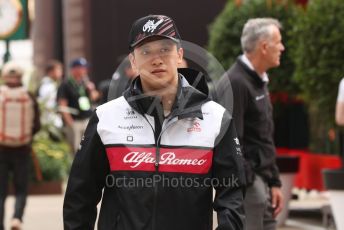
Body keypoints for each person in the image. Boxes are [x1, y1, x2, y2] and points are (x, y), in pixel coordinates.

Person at [63, 14, 246, 230]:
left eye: (165, 49)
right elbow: (80, 195)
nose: (156, 59)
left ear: (179, 55)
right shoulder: (106, 117)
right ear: (133, 61)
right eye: (146, 51)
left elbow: (232, 195)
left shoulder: (216, 119)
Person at [216, 18, 284, 230]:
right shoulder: (235, 82)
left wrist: (274, 181)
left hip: (263, 180)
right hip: (249, 183)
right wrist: (250, 182)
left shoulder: (259, 80)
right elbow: (232, 140)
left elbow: (264, 135)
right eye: (279, 42)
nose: (282, 48)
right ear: (264, 47)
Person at [0, 62, 41, 230]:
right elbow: (37, 124)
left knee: (1, 192)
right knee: (21, 189)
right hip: (22, 149)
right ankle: (17, 218)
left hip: (1, 149)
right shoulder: (29, 96)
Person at [57, 58, 99, 152]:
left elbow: (94, 98)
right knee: (76, 150)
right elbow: (62, 105)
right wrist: (70, 123)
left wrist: (91, 89)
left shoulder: (85, 83)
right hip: (74, 121)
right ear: (74, 69)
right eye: (82, 68)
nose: (85, 70)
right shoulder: (66, 84)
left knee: (88, 149)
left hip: (87, 119)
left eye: (85, 68)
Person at [38, 60, 63, 129]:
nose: (61, 73)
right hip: (50, 121)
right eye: (59, 70)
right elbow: (47, 104)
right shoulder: (47, 86)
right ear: (51, 72)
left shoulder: (53, 84)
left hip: (52, 120)